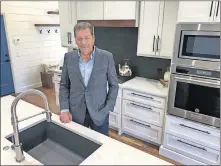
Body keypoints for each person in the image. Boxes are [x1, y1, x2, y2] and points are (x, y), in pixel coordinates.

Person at [59, 22, 119, 136]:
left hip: (99, 113)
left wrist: (107, 109)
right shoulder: (69, 57)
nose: (83, 42)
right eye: (79, 39)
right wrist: (64, 109)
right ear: (75, 40)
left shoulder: (107, 57)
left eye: (87, 38)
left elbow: (114, 86)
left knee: (101, 146)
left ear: (93, 38)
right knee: (79, 147)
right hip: (75, 113)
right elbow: (64, 85)